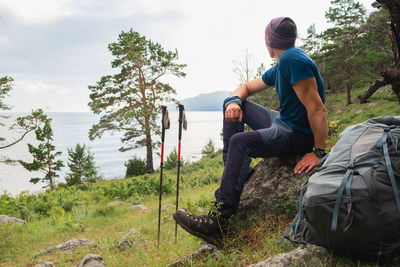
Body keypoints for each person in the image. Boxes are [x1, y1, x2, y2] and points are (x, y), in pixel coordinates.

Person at [173, 17, 328, 245]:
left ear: (269, 42)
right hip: (283, 122)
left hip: (296, 135)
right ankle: (236, 175)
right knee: (233, 104)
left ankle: (218, 221)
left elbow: (317, 108)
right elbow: (246, 87)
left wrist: (318, 151)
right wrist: (235, 101)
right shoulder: (284, 62)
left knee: (239, 142)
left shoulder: (292, 61)